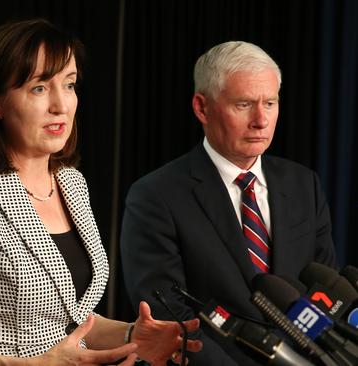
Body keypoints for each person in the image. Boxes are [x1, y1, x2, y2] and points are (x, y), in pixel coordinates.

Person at [0, 19, 202, 366]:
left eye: (70, 85)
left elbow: (69, 322)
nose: (61, 105)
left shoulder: (71, 182)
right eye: (39, 88)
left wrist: (131, 336)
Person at [120, 41, 336, 365]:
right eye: (244, 104)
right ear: (202, 107)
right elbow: (169, 317)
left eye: (271, 103)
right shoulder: (155, 196)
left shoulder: (305, 184)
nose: (261, 120)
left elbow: (325, 294)